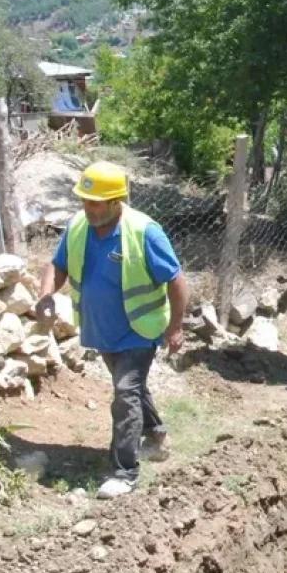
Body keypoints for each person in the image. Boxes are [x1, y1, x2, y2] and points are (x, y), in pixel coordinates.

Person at [35, 161, 189, 499]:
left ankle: (124, 471)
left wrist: (176, 327)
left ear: (116, 200)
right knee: (130, 389)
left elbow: (176, 280)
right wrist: (46, 294)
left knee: (125, 393)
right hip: (101, 330)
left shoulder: (144, 231)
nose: (88, 209)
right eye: (85, 201)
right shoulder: (78, 226)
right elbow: (57, 264)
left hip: (140, 329)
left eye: (95, 203)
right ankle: (157, 436)